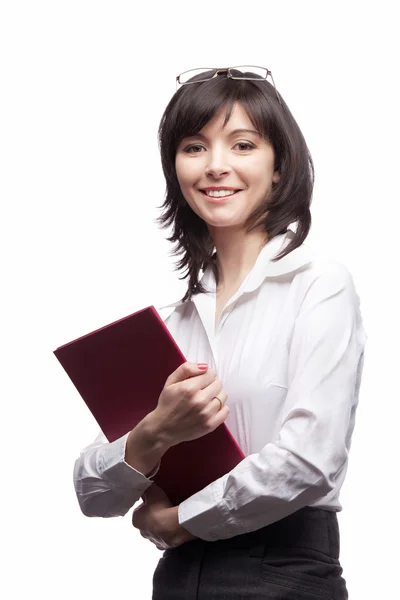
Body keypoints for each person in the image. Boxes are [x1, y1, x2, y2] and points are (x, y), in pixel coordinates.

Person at [73, 66, 367, 599]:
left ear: (279, 166)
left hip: (285, 572)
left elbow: (311, 460)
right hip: (180, 579)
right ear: (176, 170)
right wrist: (154, 433)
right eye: (194, 147)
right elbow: (92, 491)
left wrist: (184, 519)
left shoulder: (318, 285)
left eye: (243, 144)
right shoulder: (171, 325)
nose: (216, 166)